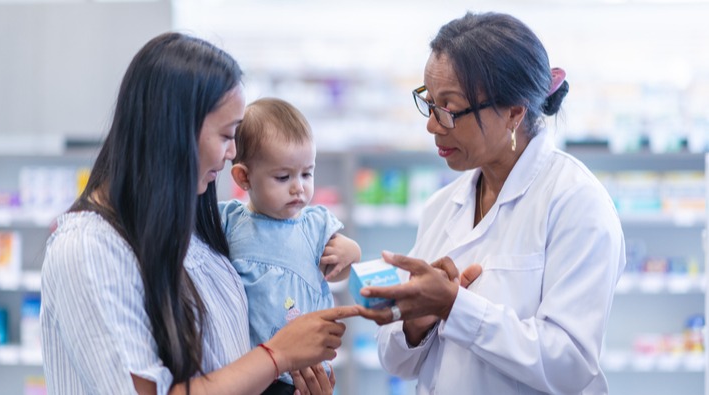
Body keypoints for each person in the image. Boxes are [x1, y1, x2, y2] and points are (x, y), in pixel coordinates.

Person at [39, 32, 359, 395]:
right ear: (175, 132)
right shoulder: (88, 249)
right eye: (227, 135)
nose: (233, 152)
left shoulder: (194, 231)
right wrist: (278, 355)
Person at [358, 11, 626, 395]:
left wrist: (456, 307)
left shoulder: (576, 203)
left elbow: (570, 363)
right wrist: (417, 321)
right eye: (429, 102)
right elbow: (397, 362)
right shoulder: (442, 206)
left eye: (448, 108)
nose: (432, 125)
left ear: (514, 113)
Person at [222, 97, 361, 394]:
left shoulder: (316, 224)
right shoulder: (230, 221)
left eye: (307, 173)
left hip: (305, 372)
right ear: (243, 177)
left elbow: (338, 272)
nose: (299, 187)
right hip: (251, 370)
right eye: (283, 177)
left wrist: (350, 252)